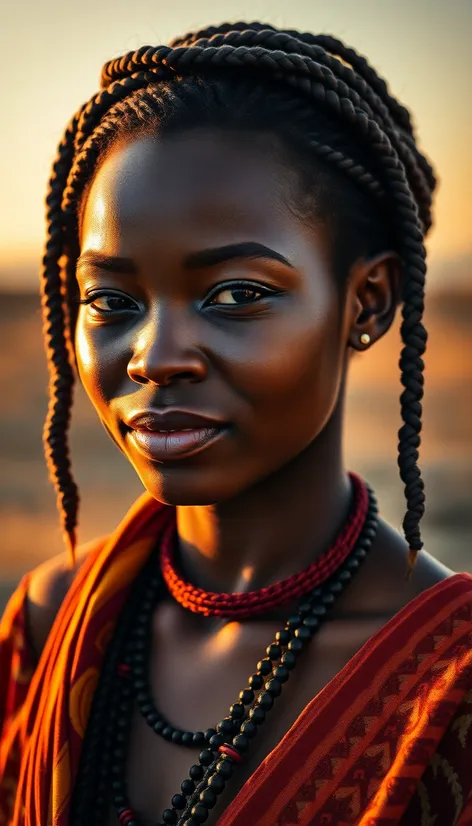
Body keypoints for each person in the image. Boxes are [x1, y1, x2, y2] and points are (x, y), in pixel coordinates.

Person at [1, 20, 471, 826]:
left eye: (235, 294)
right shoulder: (49, 625)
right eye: (110, 301)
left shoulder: (448, 682)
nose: (156, 355)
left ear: (368, 302)